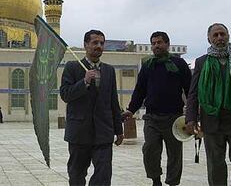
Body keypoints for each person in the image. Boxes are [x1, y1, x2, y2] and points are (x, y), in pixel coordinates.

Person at [185, 23, 231, 186]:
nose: (219, 38)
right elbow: (193, 93)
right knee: (215, 166)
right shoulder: (201, 62)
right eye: (215, 35)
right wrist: (190, 118)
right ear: (209, 39)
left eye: (222, 34)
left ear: (228, 36)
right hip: (212, 121)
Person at [122, 31, 192, 186]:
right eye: (153, 43)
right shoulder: (148, 65)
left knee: (175, 154)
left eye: (159, 42)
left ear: (167, 44)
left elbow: (190, 90)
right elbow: (140, 90)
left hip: (174, 118)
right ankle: (155, 179)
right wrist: (131, 110)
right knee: (149, 150)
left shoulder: (179, 64)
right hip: (152, 118)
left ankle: (173, 182)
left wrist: (194, 113)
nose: (156, 46)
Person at [60, 29, 124, 186]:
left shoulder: (109, 71)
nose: (99, 46)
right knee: (77, 175)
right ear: (85, 45)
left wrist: (119, 130)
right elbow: (65, 94)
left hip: (103, 133)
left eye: (102, 43)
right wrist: (84, 82)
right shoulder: (72, 67)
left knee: (103, 176)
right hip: (79, 133)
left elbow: (113, 102)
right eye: (95, 42)